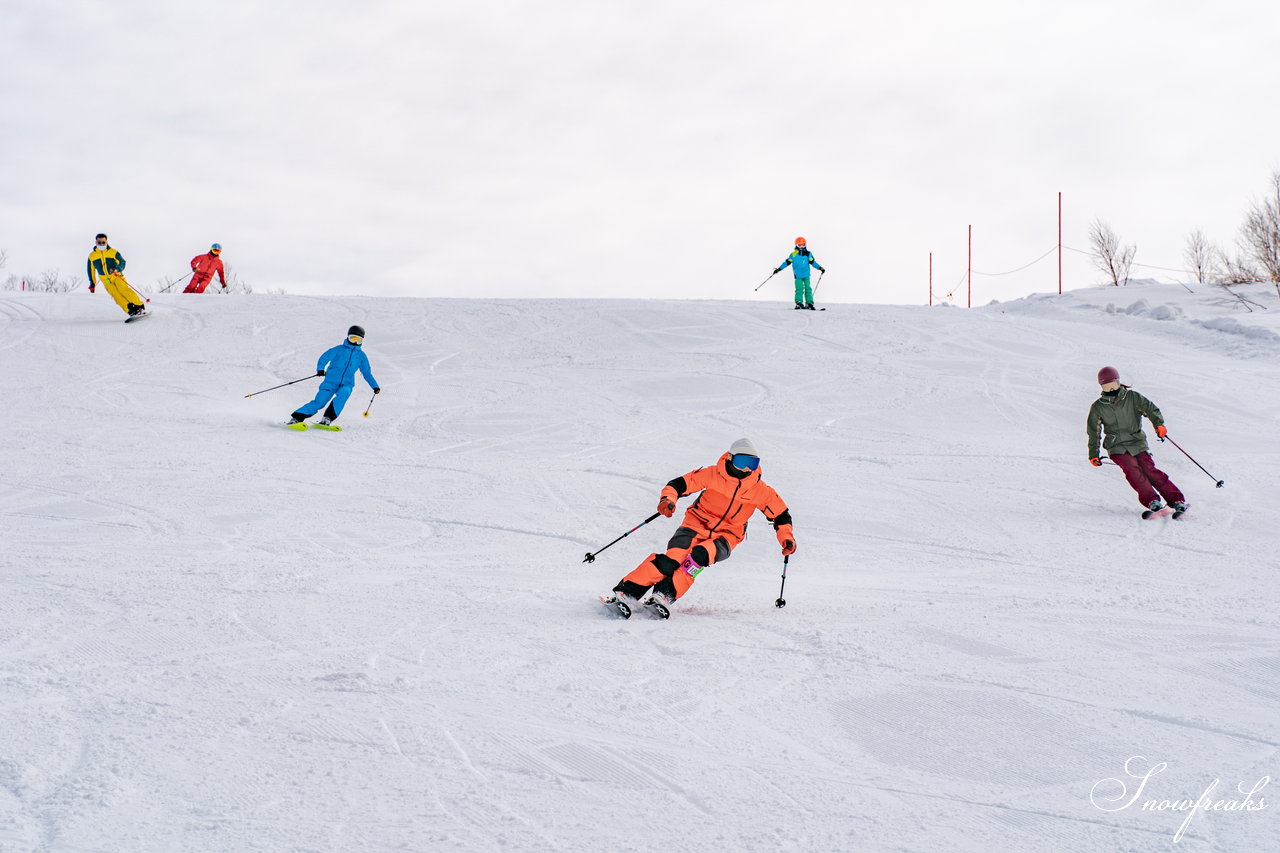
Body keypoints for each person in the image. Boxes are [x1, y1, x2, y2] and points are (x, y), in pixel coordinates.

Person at [603, 438, 796, 615]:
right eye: (741, 462)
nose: (746, 469)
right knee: (673, 558)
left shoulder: (761, 491)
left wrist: (786, 538)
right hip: (695, 524)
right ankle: (625, 593)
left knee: (699, 557)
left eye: (752, 464)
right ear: (730, 458)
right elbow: (678, 485)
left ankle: (664, 595)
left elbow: (781, 515)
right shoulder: (712, 474)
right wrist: (668, 500)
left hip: (727, 536)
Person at [1087, 366, 1187, 514]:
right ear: (1101, 387)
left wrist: (1158, 424)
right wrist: (1093, 453)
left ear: (1118, 382)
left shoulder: (1132, 397)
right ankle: (1152, 500)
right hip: (1116, 446)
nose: (1111, 390)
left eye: (1113, 385)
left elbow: (1150, 409)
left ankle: (1176, 500)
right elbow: (1093, 432)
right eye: (1106, 387)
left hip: (1137, 442)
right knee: (1132, 469)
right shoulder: (1098, 407)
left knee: (1149, 470)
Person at [286, 325, 381, 427]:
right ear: (348, 337)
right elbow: (324, 358)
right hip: (330, 382)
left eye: (358, 340)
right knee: (320, 402)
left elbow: (367, 373)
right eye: (353, 338)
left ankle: (327, 419)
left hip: (347, 384)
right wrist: (320, 369)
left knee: (343, 394)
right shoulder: (338, 349)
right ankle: (296, 418)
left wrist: (375, 386)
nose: (355, 342)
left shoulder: (361, 356)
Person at [86, 233, 148, 317]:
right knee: (116, 296)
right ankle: (131, 310)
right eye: (99, 242)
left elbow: (122, 262)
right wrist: (92, 283)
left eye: (103, 242)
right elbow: (91, 270)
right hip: (106, 280)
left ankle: (139, 306)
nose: (101, 244)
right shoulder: (92, 256)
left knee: (124, 290)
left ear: (106, 242)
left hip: (116, 276)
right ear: (96, 242)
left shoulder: (113, 252)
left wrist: (117, 269)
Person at [774, 237, 826, 310]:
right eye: (800, 245)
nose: (802, 246)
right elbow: (787, 262)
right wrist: (779, 269)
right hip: (798, 275)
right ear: (796, 245)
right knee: (799, 288)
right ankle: (799, 302)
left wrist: (820, 268)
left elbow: (813, 262)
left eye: (803, 245)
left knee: (808, 288)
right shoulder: (794, 254)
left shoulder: (808, 254)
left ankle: (809, 303)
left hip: (806, 275)